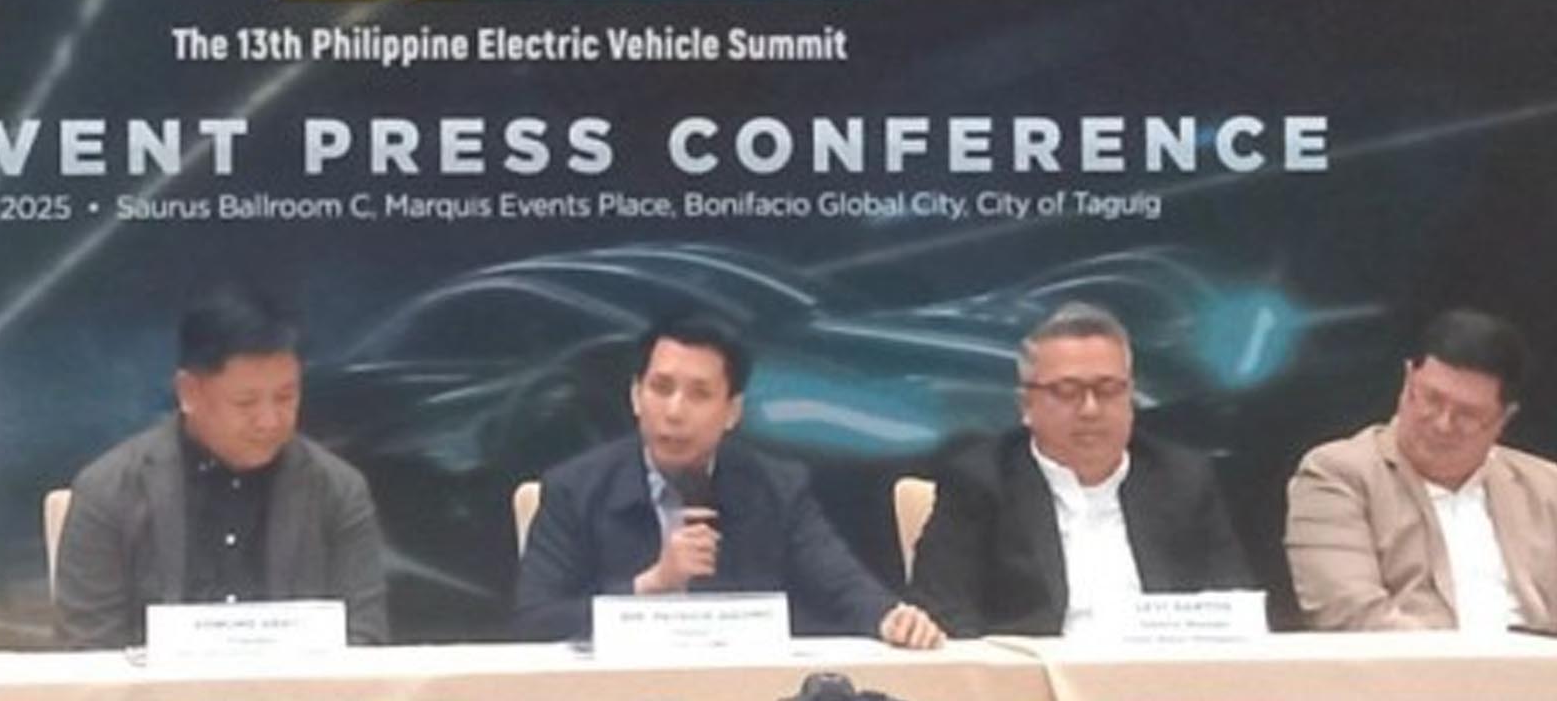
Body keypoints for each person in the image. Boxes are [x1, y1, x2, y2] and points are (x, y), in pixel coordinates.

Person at [513, 314, 943, 648]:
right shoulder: (575, 488)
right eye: (661, 388)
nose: (674, 411)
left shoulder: (777, 487)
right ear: (635, 396)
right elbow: (535, 620)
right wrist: (650, 586)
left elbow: (840, 584)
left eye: (699, 394)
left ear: (732, 412)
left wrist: (889, 617)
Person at [54, 288, 387, 648]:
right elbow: (89, 654)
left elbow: (364, 641)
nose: (269, 420)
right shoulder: (109, 492)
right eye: (246, 402)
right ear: (188, 392)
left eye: (285, 397)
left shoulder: (337, 491)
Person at [906, 302, 1252, 637]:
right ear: (1026, 405)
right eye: (1066, 391)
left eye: (1108, 390)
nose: (1090, 409)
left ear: (1131, 397)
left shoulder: (1182, 479)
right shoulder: (980, 481)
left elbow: (1234, 610)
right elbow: (943, 618)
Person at [1285, 309, 1557, 631]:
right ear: (1407, 380)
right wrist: (1463, 658)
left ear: (1503, 419)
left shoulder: (1546, 487)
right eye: (1431, 399)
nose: (1443, 424)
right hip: (1409, 660)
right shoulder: (1337, 475)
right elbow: (1350, 614)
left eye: (1467, 414)